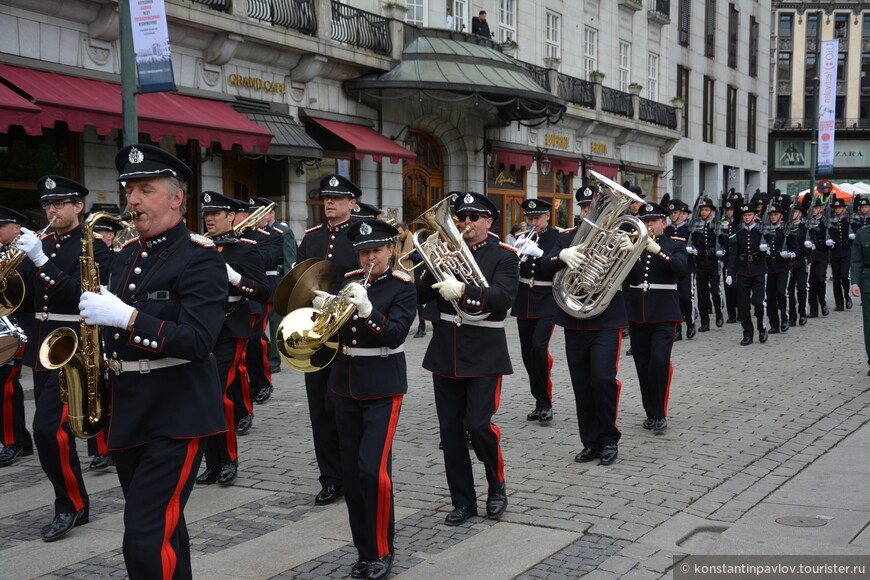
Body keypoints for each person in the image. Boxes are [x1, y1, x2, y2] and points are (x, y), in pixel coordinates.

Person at [77, 144, 227, 579]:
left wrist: (127, 317)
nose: (133, 200)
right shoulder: (124, 257)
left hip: (177, 413)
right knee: (164, 529)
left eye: (146, 189)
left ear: (176, 197)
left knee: (143, 535)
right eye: (129, 190)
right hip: (129, 409)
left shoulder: (200, 257)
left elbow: (199, 341)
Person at [317, 219, 416, 580]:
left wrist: (367, 311)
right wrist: (324, 311)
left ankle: (382, 551)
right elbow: (330, 337)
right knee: (353, 476)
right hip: (344, 385)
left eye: (375, 250)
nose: (369, 257)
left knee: (373, 472)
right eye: (363, 252)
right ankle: (364, 551)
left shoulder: (402, 286)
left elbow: (395, 334)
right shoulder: (347, 281)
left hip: (383, 386)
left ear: (390, 249)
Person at [16, 175, 111, 541]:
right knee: (51, 433)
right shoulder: (41, 243)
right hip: (43, 348)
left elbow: (80, 296)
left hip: (75, 344)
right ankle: (73, 500)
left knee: (47, 430)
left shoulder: (94, 248)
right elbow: (24, 296)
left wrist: (40, 261)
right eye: (47, 205)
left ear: (78, 207)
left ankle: (69, 505)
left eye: (59, 204)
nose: (51, 210)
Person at [418, 192, 518, 526]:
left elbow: (503, 298)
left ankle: (496, 486)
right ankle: (462, 500)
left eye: (474, 217)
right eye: (462, 216)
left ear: (489, 222)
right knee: (451, 433)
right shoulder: (446, 252)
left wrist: (463, 291)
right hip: (446, 351)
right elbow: (419, 295)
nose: (466, 223)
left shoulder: (504, 255)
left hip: (485, 351)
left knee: (479, 425)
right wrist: (431, 266)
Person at [295, 173, 363, 505]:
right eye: (326, 198)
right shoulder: (310, 238)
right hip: (315, 333)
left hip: (348, 335)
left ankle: (352, 473)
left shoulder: (362, 235)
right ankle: (330, 477)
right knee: (319, 409)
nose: (330, 203)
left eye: (337, 199)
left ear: (352, 203)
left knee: (343, 408)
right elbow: (296, 283)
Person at [196, 191, 269, 487]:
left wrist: (236, 279)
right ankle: (212, 464)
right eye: (207, 214)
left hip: (230, 328)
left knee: (216, 393)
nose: (210, 219)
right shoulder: (197, 246)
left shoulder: (246, 249)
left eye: (216, 214)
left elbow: (264, 291)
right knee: (203, 396)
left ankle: (227, 460)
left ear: (231, 216)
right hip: (202, 328)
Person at [550, 184, 627, 465]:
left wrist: (632, 251)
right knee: (581, 385)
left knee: (603, 379)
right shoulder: (567, 238)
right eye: (584, 208)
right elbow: (544, 266)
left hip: (606, 319)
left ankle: (609, 438)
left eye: (591, 206)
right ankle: (590, 442)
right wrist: (561, 256)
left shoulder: (618, 238)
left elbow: (631, 280)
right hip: (575, 320)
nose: (588, 212)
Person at [623, 202, 688, 431]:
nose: (648, 225)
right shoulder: (633, 245)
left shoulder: (675, 244)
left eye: (653, 221)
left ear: (664, 223)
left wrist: (657, 251)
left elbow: (681, 269)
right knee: (643, 364)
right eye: (645, 221)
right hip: (637, 314)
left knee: (659, 362)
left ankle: (659, 412)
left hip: (664, 314)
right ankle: (650, 411)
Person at [511, 198, 560, 423]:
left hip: (546, 300)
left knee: (539, 349)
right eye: (530, 219)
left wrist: (539, 254)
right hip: (524, 301)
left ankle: (546, 402)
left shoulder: (556, 237)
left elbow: (555, 266)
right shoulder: (522, 238)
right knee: (527, 355)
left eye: (537, 218)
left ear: (547, 217)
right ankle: (539, 400)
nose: (533, 223)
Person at [87, 216, 126, 472]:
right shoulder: (94, 253)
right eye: (97, 232)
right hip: (93, 323)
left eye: (104, 232)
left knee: (110, 388)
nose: (100, 235)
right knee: (95, 387)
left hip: (113, 323)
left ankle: (113, 444)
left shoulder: (118, 256)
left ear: (112, 235)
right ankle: (100, 449)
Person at [237, 197, 282, 411]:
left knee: (256, 338)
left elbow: (266, 261)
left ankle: (262, 382)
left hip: (259, 292)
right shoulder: (233, 237)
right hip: (234, 293)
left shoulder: (269, 237)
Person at [0, 205, 33, 468]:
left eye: (1, 226)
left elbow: (25, 294)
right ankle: (21, 440)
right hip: (4, 324)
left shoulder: (27, 253)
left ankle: (12, 443)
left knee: (7, 387)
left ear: (16, 228)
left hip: (17, 326)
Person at [726, 202, 768, 345]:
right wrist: (729, 273)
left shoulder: (761, 231)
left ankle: (762, 328)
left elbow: (773, 245)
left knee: (758, 302)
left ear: (755, 216)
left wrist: (766, 249)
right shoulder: (739, 233)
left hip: (758, 270)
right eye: (745, 215)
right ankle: (748, 334)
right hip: (743, 271)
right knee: (743, 305)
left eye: (749, 214)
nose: (747, 217)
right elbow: (733, 254)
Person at [267, 206, 297, 374]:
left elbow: (289, 259)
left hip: (277, 280)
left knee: (274, 323)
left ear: (272, 214)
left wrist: (288, 286)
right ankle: (266, 351)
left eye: (264, 211)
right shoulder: (255, 231)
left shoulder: (282, 231)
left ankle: (274, 359)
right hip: (262, 280)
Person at [688, 198, 724, 332]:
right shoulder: (695, 225)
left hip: (714, 262)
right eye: (702, 210)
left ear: (712, 211)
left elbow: (724, 241)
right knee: (702, 294)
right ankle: (705, 322)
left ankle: (719, 313)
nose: (704, 212)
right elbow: (692, 240)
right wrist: (693, 249)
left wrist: (722, 251)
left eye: (706, 210)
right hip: (700, 262)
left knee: (715, 291)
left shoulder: (717, 224)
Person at [764, 204, 795, 334]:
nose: (773, 217)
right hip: (769, 266)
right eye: (771, 215)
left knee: (782, 293)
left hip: (782, 266)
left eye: (775, 214)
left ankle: (785, 318)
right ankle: (774, 324)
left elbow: (796, 249)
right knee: (770, 296)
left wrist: (789, 253)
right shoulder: (765, 230)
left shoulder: (786, 230)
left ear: (781, 216)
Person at [665, 200, 693, 340]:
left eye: (675, 212)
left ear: (681, 213)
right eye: (670, 213)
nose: (672, 215)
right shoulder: (667, 230)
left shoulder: (688, 230)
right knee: (675, 300)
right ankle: (678, 330)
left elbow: (698, 245)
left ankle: (690, 323)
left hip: (686, 269)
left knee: (686, 298)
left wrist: (693, 250)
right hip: (672, 269)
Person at [395, 222, 427, 338]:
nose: (398, 236)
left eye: (400, 233)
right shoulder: (399, 243)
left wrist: (410, 256)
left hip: (416, 275)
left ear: (406, 231)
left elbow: (425, 257)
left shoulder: (417, 241)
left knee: (418, 303)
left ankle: (422, 327)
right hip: (402, 274)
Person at [850, 218, 870, 376]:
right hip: (868, 283)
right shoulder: (862, 234)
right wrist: (854, 283)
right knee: (869, 325)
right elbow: (856, 261)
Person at [806, 197, 831, 318]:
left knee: (820, 280)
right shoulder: (806, 222)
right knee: (810, 282)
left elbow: (833, 233)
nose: (814, 211)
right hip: (810, 255)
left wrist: (830, 241)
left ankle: (823, 302)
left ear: (820, 209)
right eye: (812, 208)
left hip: (822, 254)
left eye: (816, 208)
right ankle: (813, 309)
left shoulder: (825, 221)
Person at [828, 196, 853, 311]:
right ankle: (839, 303)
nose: (837, 210)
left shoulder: (848, 219)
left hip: (846, 251)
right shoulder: (831, 220)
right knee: (836, 278)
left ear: (844, 209)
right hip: (835, 252)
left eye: (840, 208)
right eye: (836, 208)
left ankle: (847, 296)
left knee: (844, 275)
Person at [720, 196, 741, 323]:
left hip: (738, 258)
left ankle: (740, 311)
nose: (728, 212)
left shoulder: (738, 223)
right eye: (727, 210)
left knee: (739, 286)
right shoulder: (722, 222)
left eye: (731, 209)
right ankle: (731, 314)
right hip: (726, 257)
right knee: (729, 287)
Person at [788, 203, 810, 327]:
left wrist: (810, 245)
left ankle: (802, 312)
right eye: (792, 212)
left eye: (796, 212)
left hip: (800, 261)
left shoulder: (804, 227)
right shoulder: (785, 227)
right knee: (789, 291)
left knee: (801, 288)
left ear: (800, 213)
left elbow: (812, 241)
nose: (794, 214)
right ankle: (792, 316)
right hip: (788, 263)